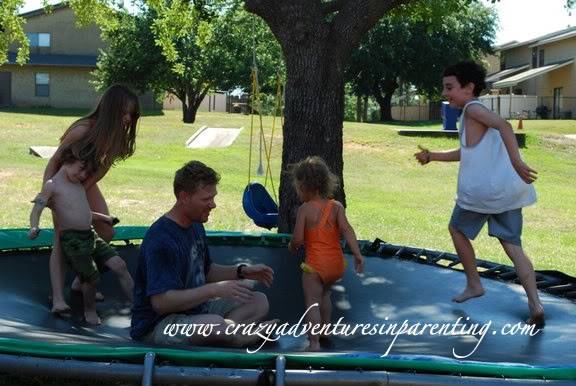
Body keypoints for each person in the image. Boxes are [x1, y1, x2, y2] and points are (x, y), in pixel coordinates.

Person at [414, 61, 544, 327]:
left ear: (469, 87)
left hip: (481, 193)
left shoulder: (472, 109)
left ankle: (474, 283)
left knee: (456, 229)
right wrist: (433, 157)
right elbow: (467, 152)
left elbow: (506, 127)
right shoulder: (476, 112)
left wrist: (518, 162)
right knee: (513, 247)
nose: (444, 93)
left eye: (449, 87)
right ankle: (535, 304)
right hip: (506, 194)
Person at [131, 161, 276, 347]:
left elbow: (205, 271)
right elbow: (161, 303)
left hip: (195, 311)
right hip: (159, 325)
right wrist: (213, 290)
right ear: (184, 197)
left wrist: (242, 271)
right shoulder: (161, 239)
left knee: (258, 301)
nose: (213, 205)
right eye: (207, 199)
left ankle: (227, 333)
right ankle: (237, 337)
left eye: (213, 197)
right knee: (215, 323)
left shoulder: (196, 225)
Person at [43, 84, 140, 314]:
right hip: (62, 183)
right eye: (124, 112)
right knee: (62, 237)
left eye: (132, 114)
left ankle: (82, 280)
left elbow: (102, 170)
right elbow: (54, 162)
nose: (128, 118)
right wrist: (49, 193)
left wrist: (82, 193)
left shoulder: (115, 138)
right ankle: (58, 298)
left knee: (106, 232)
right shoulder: (83, 129)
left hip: (84, 183)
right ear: (110, 109)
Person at [29, 143, 134, 325]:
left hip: (90, 235)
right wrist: (33, 226)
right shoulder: (52, 185)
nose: (84, 175)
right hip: (73, 240)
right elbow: (37, 207)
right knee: (90, 276)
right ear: (69, 160)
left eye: (88, 173)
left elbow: (83, 212)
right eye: (82, 169)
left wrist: (104, 218)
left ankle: (138, 305)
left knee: (120, 265)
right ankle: (90, 311)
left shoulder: (77, 183)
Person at [288, 156, 364, 350]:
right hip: (335, 265)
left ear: (304, 186)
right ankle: (325, 330)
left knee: (312, 302)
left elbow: (297, 238)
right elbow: (347, 230)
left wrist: (293, 246)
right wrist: (357, 254)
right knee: (325, 295)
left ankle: (313, 343)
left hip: (315, 266)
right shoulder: (336, 207)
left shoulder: (305, 210)